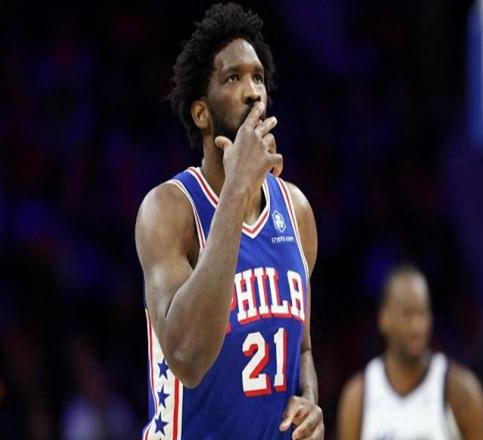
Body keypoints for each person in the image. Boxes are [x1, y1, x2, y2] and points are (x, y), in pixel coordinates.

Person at [135, 3, 324, 439]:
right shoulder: (169, 209)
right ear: (201, 113)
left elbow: (302, 349)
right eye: (233, 78)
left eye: (258, 77)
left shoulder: (296, 210)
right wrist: (236, 190)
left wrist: (310, 398)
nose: (253, 91)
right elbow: (187, 358)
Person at [337, 264, 483, 440]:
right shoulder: (358, 396)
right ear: (384, 319)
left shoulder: (461, 391)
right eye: (407, 314)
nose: (417, 326)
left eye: (422, 313)